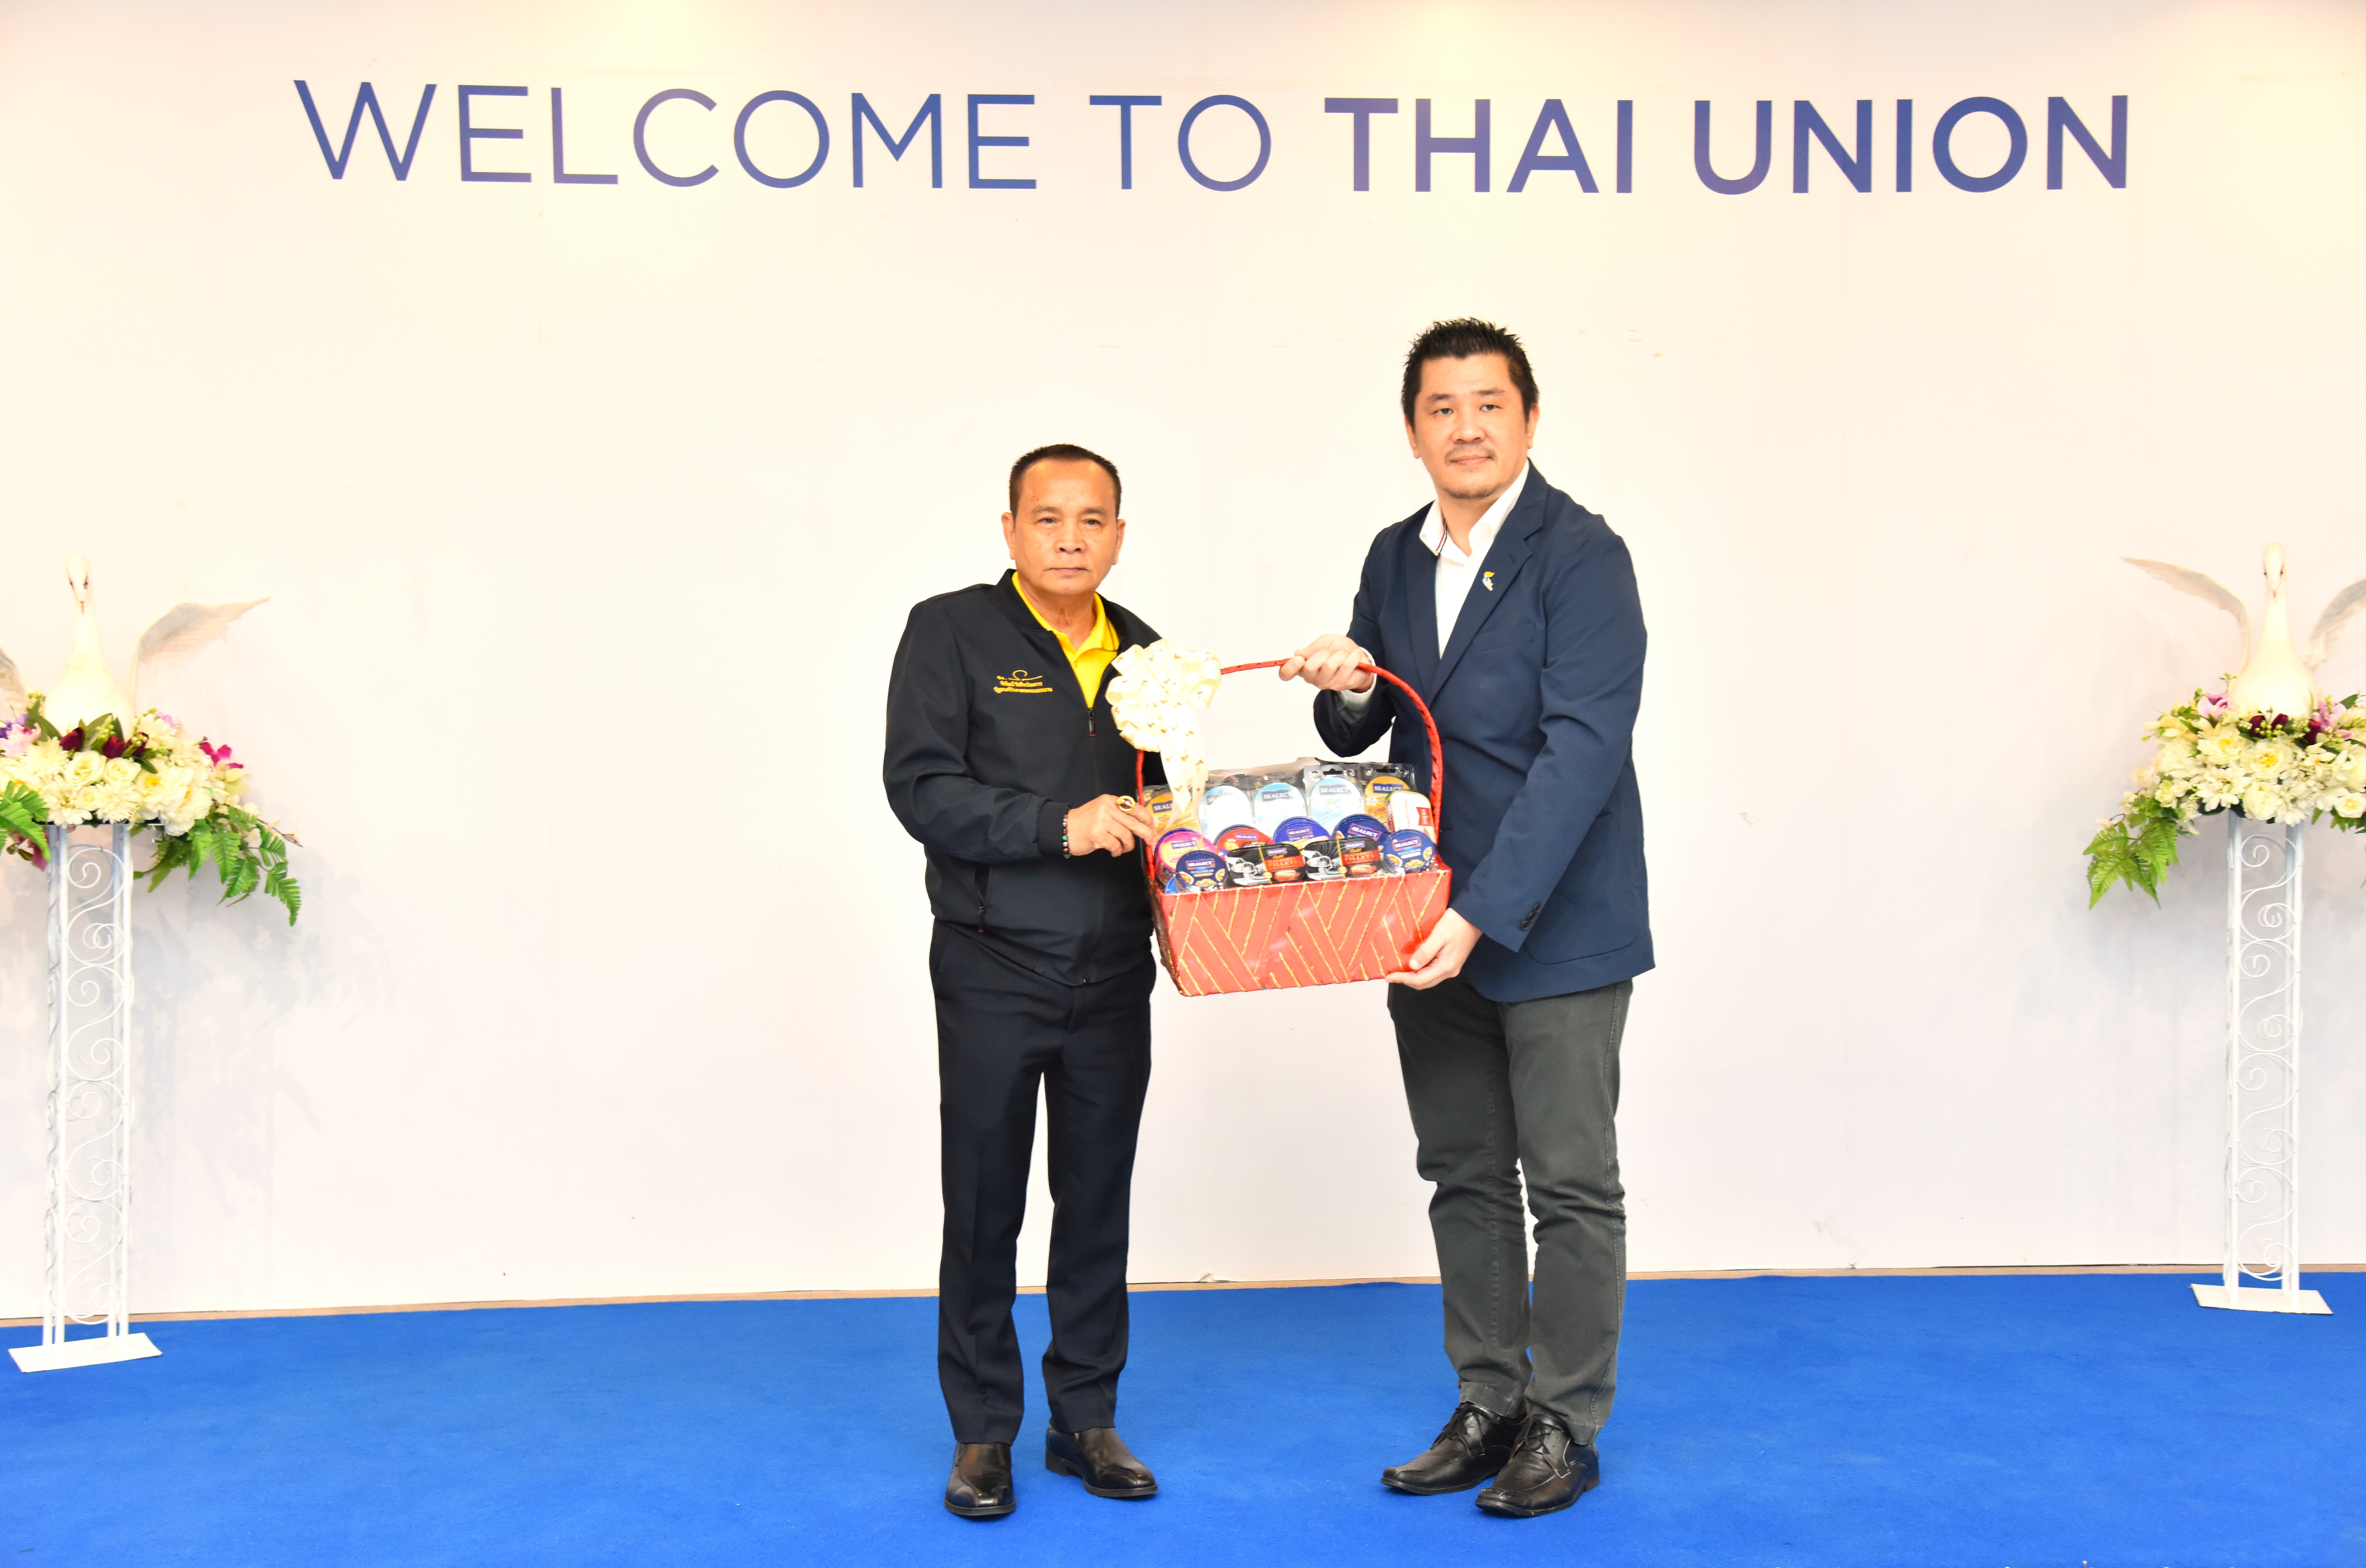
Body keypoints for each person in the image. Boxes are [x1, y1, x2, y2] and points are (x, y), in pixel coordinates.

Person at [1283, 319, 1650, 1519]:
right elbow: (1376, 720)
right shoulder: (1395, 556)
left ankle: (1567, 1421)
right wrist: (1348, 690)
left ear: (1530, 420)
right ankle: (1489, 1398)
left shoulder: (1583, 555)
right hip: (1420, 915)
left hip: (1553, 921)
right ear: (1413, 431)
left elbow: (1582, 753)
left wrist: (1483, 914)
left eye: (1490, 404)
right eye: (1442, 408)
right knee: (1463, 1170)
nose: (1468, 427)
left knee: (1571, 1183)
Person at [883, 444, 1167, 1519]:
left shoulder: (1148, 655)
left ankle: (1085, 1416)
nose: (1070, 539)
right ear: (1010, 530)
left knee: (1097, 1202)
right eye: (1048, 518)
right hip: (993, 966)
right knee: (985, 1202)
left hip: (1115, 970)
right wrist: (1058, 825)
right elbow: (922, 787)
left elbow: (1169, 799)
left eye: (1093, 520)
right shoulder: (950, 631)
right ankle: (983, 1431)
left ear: (1119, 537)